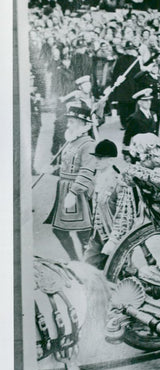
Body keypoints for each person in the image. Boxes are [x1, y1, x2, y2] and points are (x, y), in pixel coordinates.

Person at [43, 104, 96, 261]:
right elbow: (68, 164)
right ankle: (76, 261)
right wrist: (54, 168)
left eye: (72, 122)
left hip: (76, 192)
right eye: (69, 121)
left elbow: (87, 171)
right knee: (61, 230)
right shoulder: (72, 141)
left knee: (84, 233)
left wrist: (74, 192)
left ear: (83, 124)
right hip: (64, 189)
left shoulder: (88, 144)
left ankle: (89, 265)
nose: (68, 125)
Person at [83, 139, 137, 269]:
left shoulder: (120, 183)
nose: (96, 161)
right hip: (99, 235)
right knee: (87, 269)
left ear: (111, 160)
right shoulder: (98, 178)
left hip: (116, 239)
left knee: (121, 274)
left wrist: (113, 241)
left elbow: (124, 216)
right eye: (96, 157)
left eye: (101, 158)